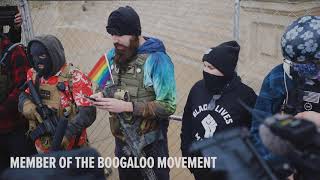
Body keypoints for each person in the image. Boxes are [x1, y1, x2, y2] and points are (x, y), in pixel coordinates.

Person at [90, 6, 176, 180]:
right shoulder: (112, 54)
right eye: (112, 34)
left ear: (135, 33)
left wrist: (127, 106)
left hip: (151, 147)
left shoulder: (158, 60)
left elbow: (168, 106)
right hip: (122, 144)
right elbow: (101, 85)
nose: (115, 40)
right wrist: (99, 95)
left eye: (120, 35)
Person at [250, 15, 320, 178]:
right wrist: (280, 166)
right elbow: (258, 129)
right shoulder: (279, 78)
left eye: (309, 67)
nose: (300, 72)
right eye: (296, 65)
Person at [180, 41, 257, 180]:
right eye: (204, 66)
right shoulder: (197, 89)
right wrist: (188, 156)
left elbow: (255, 134)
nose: (205, 71)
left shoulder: (246, 96)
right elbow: (187, 125)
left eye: (211, 67)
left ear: (225, 70)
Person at [19, 35, 97, 153]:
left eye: (42, 56)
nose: (37, 61)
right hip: (43, 147)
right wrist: (25, 103)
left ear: (54, 55)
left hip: (74, 149)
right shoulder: (33, 74)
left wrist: (66, 134)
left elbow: (88, 113)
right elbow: (24, 94)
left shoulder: (75, 77)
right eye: (33, 57)